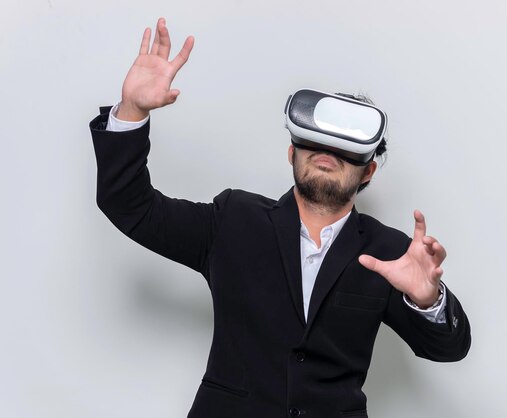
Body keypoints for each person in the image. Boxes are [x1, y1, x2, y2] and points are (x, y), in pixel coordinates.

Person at [89, 18, 471, 418]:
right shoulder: (233, 221)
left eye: (346, 147)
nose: (328, 150)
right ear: (292, 154)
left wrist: (428, 301)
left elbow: (449, 349)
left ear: (368, 172)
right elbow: (129, 205)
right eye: (315, 141)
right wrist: (132, 110)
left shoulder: (391, 253)